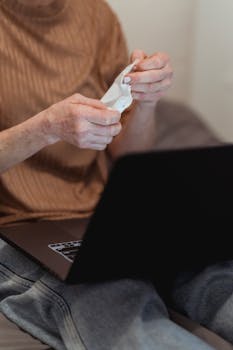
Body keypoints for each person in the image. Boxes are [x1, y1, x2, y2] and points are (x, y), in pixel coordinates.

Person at [0, 1, 233, 349]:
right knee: (118, 301)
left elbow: (126, 154)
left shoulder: (95, 15)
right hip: (18, 227)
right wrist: (47, 128)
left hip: (101, 221)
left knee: (216, 277)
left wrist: (145, 102)